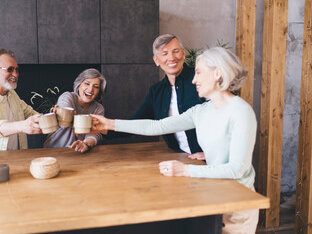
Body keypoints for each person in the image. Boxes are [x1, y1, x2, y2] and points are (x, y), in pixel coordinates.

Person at [91, 47, 259, 233]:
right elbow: (157, 126)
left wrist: (185, 170)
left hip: (237, 203)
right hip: (213, 195)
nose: (193, 79)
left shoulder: (241, 111)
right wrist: (109, 124)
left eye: (198, 72)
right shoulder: (201, 111)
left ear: (217, 73)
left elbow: (237, 169)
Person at [105, 34, 204, 157]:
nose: (171, 58)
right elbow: (135, 123)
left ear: (183, 54)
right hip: (183, 157)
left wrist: (210, 154)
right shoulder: (156, 92)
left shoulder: (201, 78)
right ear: (156, 60)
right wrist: (100, 129)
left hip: (213, 159)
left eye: (176, 51)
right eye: (164, 54)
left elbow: (227, 111)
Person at [43, 68, 106, 153]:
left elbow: (95, 134)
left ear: (99, 91)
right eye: (87, 84)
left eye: (96, 87)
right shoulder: (67, 97)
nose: (91, 89)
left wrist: (86, 144)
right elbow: (65, 122)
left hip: (80, 152)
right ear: (79, 85)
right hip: (55, 149)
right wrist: (60, 115)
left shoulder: (98, 108)